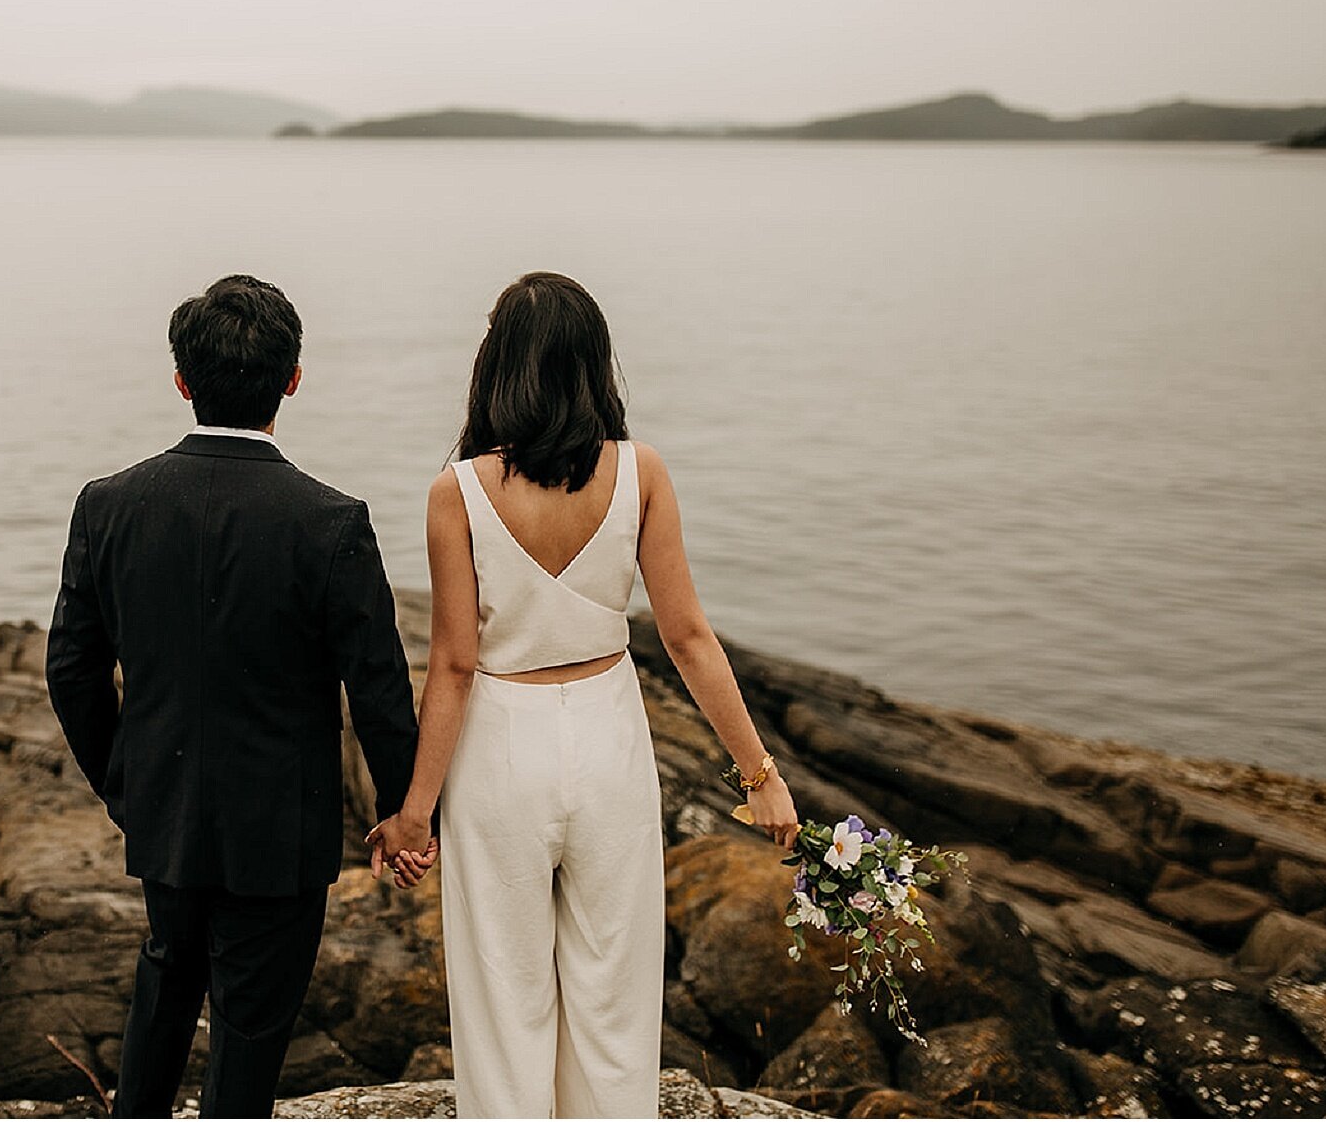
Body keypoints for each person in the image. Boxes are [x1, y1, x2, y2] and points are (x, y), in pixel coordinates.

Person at [374, 270, 800, 1118]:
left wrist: (414, 811)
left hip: (499, 750)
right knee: (614, 992)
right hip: (608, 739)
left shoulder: (456, 492)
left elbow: (453, 664)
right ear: (592, 365)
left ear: (497, 366)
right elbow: (687, 638)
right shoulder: (640, 473)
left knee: (506, 997)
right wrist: (760, 773)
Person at [46, 274, 430, 1118]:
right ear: (292, 378)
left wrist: (124, 783)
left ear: (182, 381)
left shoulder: (108, 504)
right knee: (251, 1031)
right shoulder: (330, 522)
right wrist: (407, 809)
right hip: (280, 830)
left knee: (166, 972)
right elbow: (379, 689)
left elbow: (71, 669)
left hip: (163, 807)